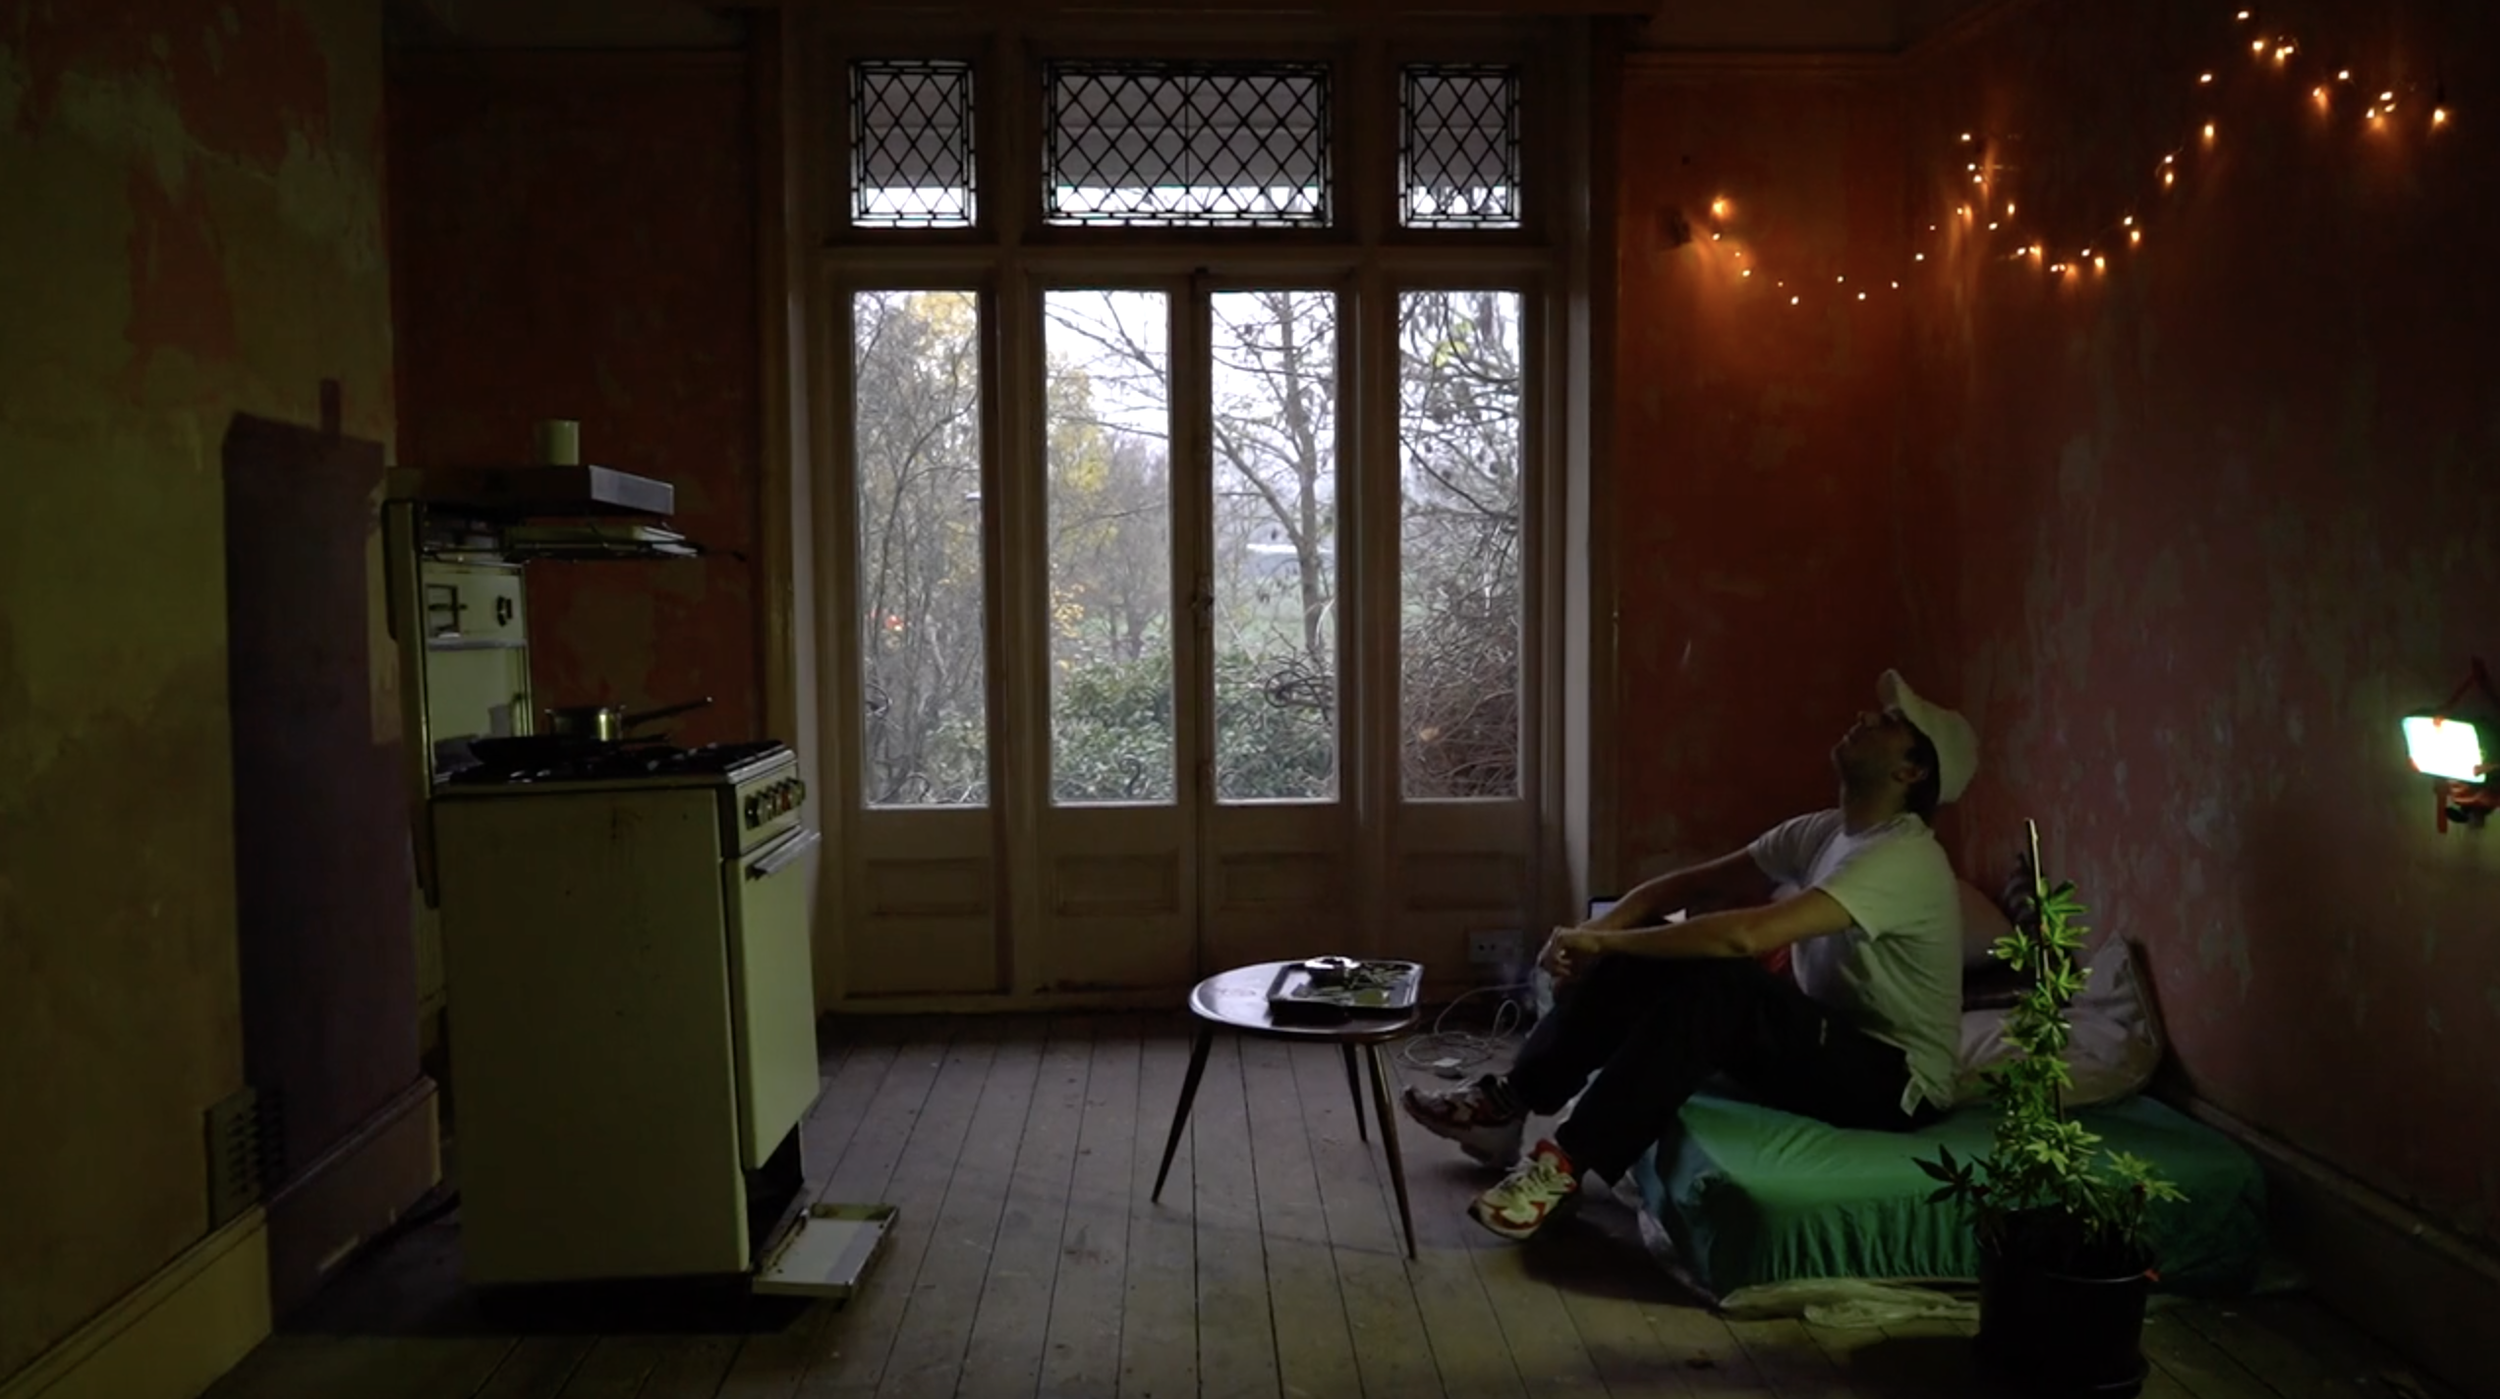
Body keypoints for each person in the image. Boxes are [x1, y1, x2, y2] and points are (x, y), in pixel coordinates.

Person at [1401, 669, 1980, 1241]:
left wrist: (1605, 943)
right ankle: (1508, 1106)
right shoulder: (1826, 832)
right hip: (1828, 1043)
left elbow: (1744, 937)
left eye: (1888, 723)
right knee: (1658, 948)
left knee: (1725, 984)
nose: (1865, 717)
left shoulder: (1903, 859)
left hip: (1895, 1087)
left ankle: (1564, 1166)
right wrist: (1595, 930)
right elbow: (1687, 887)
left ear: (1911, 771)